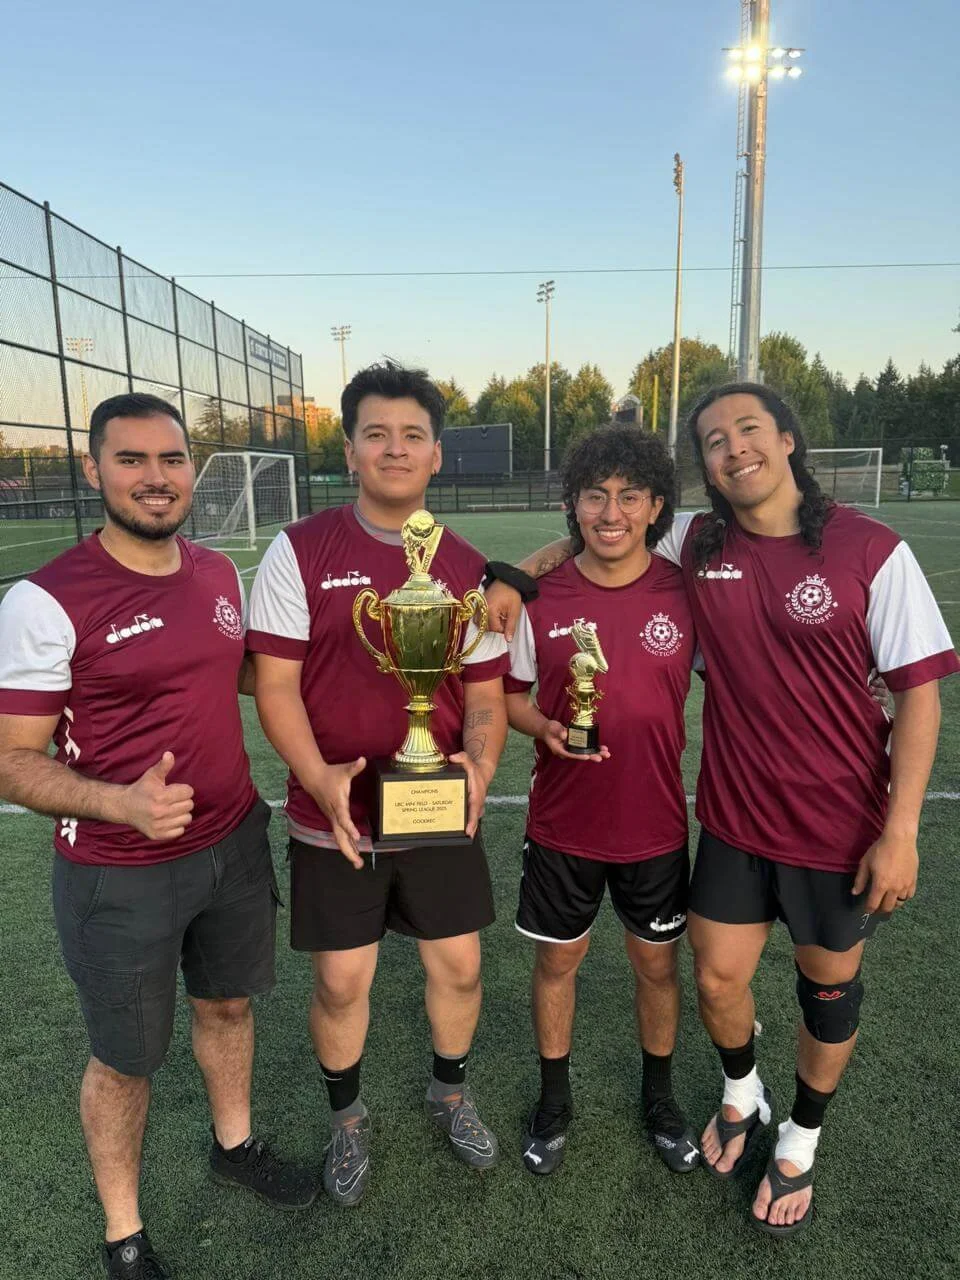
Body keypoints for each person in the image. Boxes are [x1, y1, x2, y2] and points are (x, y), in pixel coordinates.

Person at [484, 384, 958, 1235]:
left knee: (826, 989)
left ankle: (801, 1140)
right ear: (701, 465)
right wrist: (524, 574)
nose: (733, 449)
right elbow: (604, 522)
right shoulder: (699, 540)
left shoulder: (871, 549)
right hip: (734, 821)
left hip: (840, 825)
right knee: (715, 977)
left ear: (786, 440)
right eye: (713, 439)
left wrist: (902, 829)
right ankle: (743, 1093)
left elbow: (919, 695)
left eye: (748, 431)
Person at [0, 394, 316, 1280]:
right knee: (125, 1059)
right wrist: (119, 804)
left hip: (231, 845)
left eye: (171, 460)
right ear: (94, 470)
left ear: (191, 471)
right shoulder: (46, 599)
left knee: (227, 1006)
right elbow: (10, 760)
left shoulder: (217, 572)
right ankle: (125, 1233)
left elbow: (255, 675)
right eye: (131, 459)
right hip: (117, 870)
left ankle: (234, 1144)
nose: (155, 477)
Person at [248, 361, 509, 1208]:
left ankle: (451, 1092)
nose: (395, 449)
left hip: (435, 814)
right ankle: (347, 1121)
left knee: (461, 967)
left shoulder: (469, 567)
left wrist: (478, 765)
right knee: (340, 981)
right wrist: (319, 777)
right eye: (376, 434)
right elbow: (277, 685)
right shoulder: (299, 549)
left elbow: (486, 696)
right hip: (338, 819)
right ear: (352, 451)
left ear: (437, 455)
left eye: (412, 436)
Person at [503, 426, 700, 1177]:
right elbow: (510, 697)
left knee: (657, 969)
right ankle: (555, 1103)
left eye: (629, 495)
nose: (611, 511)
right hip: (562, 827)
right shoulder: (540, 595)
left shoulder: (684, 594)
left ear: (656, 507)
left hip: (653, 826)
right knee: (558, 968)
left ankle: (659, 1098)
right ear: (572, 505)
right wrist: (547, 727)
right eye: (596, 495)